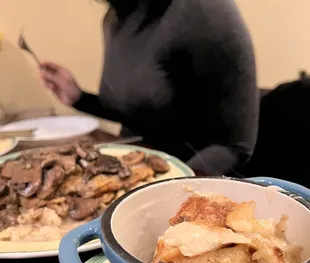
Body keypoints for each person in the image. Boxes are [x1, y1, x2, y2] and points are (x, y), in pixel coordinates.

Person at [40, 0, 258, 176]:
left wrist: (169, 187)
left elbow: (236, 145)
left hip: (190, 179)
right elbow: (140, 112)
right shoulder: (113, 19)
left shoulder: (203, 10)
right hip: (132, 169)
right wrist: (79, 98)